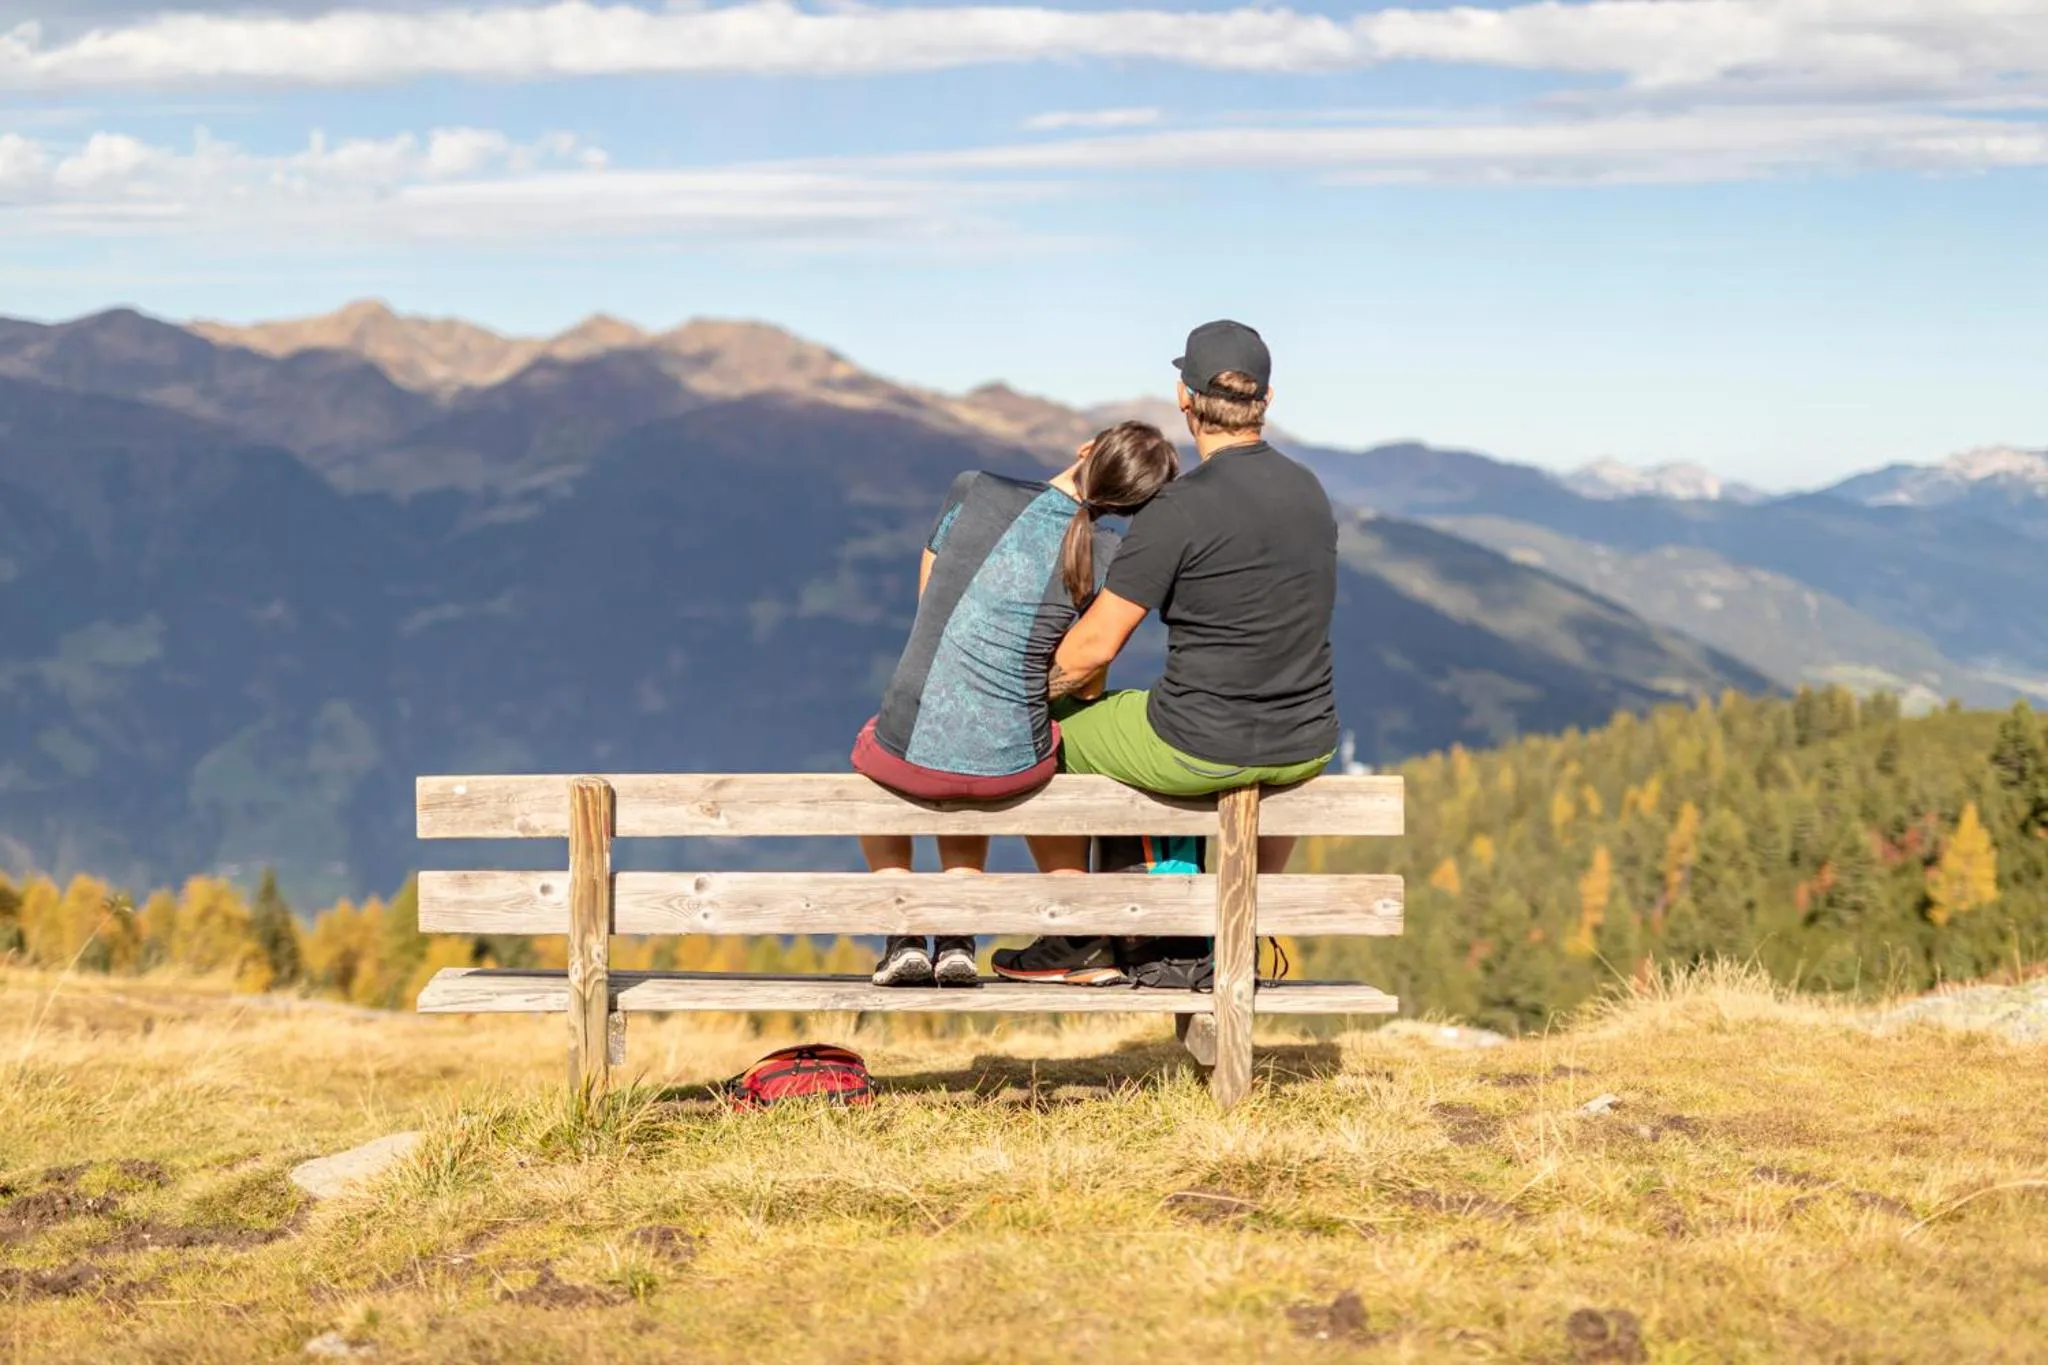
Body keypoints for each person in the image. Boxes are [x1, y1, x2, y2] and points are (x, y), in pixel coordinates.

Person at [991, 320, 1339, 986]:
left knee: (1051, 732)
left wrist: (1020, 700)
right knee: (1148, 716)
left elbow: (1092, 648)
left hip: (1200, 743)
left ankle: (1078, 930)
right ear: (1265, 401)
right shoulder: (1311, 493)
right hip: (1307, 741)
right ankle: (1236, 931)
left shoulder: (1179, 508)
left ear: (1185, 398)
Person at [852, 422, 1181, 987]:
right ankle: (957, 935)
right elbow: (1088, 686)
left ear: (1085, 451)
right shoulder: (1108, 554)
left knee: (878, 750)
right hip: (1013, 769)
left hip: (909, 755)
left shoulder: (973, 488)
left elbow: (932, 607)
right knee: (983, 749)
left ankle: (902, 932)